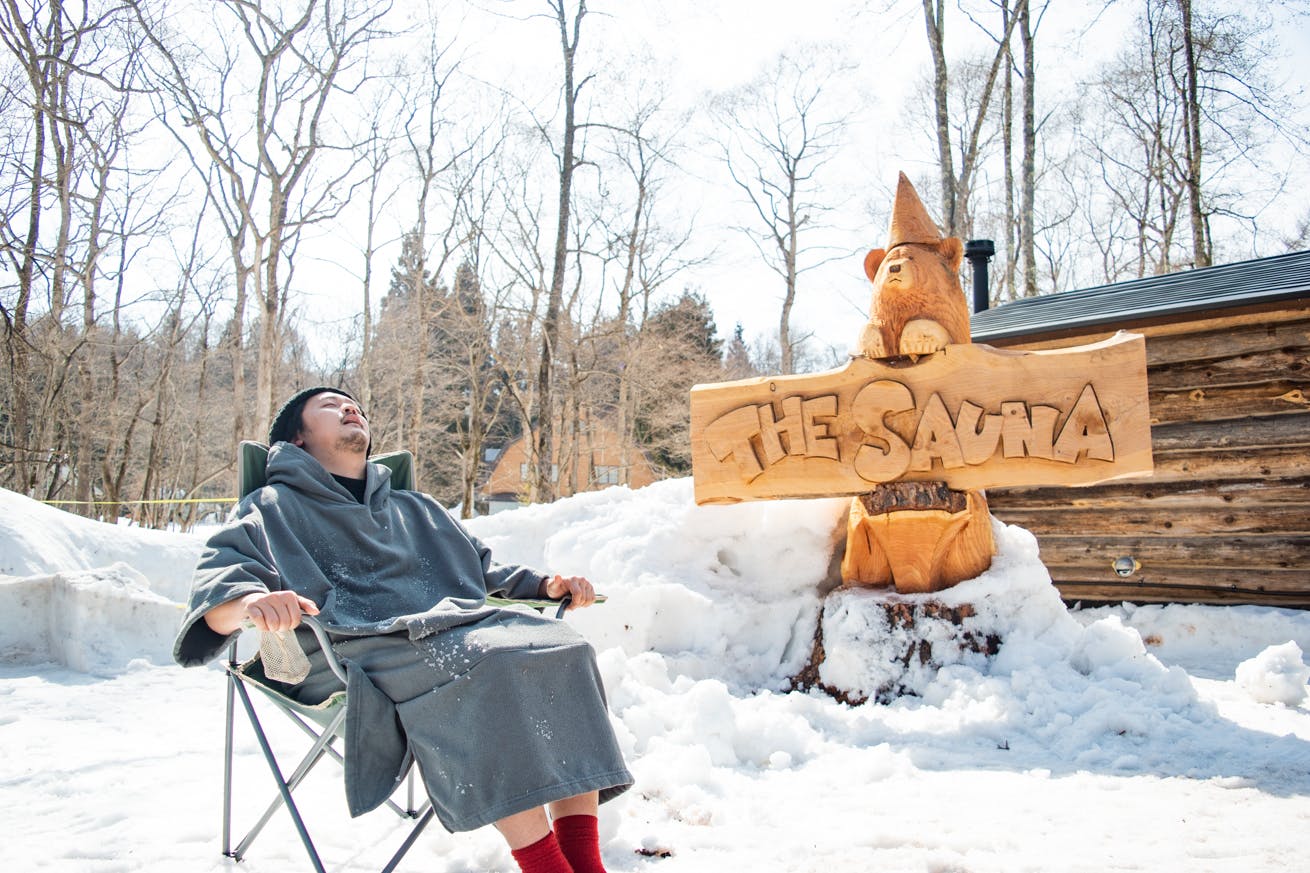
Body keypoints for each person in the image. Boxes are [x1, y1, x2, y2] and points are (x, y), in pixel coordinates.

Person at [174, 386, 632, 873]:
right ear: (297, 438)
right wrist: (253, 603)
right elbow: (219, 592)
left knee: (564, 647)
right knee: (489, 665)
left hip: (452, 632)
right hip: (345, 649)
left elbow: (480, 569)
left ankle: (585, 861)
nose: (349, 408)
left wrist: (545, 585)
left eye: (355, 406)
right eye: (329, 405)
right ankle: (546, 866)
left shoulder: (415, 508)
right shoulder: (270, 506)